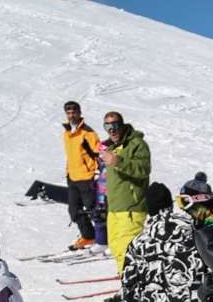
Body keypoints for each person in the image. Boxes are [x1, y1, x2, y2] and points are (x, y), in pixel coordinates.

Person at [100, 111, 151, 275]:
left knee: (128, 250)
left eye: (114, 126)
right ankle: (127, 285)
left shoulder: (137, 144)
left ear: (122, 125)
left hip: (131, 207)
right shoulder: (112, 147)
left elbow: (144, 169)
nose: (111, 130)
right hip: (114, 208)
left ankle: (133, 290)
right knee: (115, 247)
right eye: (107, 127)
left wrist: (119, 161)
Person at [61, 101, 100, 249]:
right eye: (69, 113)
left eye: (74, 113)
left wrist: (96, 172)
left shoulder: (87, 132)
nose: (72, 116)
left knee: (92, 209)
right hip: (72, 176)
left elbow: (97, 153)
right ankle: (89, 236)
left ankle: (104, 236)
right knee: (74, 210)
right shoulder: (67, 133)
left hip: (86, 176)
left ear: (80, 113)